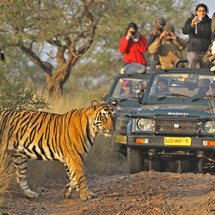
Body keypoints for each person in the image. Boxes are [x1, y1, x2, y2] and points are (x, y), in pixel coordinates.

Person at [182, 3, 211, 68]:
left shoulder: (210, 22)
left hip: (205, 50)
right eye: (199, 11)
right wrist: (192, 25)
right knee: (192, 66)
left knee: (205, 71)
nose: (201, 12)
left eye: (203, 11)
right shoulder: (191, 20)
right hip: (193, 49)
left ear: (206, 12)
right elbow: (184, 31)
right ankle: (191, 78)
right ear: (196, 12)